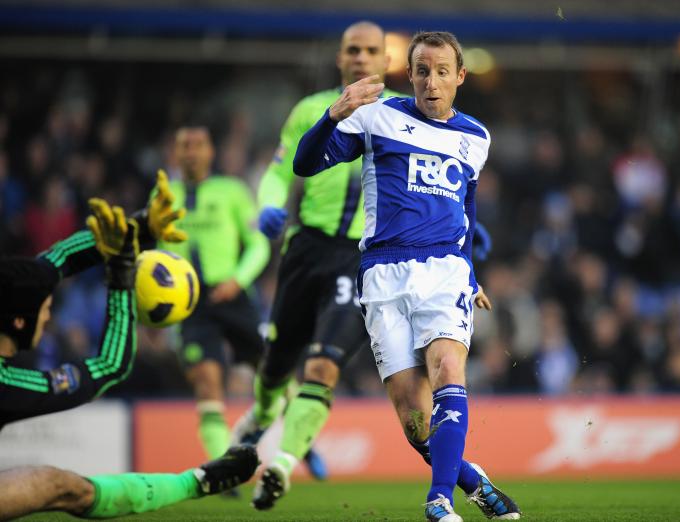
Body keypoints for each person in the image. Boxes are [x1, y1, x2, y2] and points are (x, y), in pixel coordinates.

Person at [293, 31, 521, 521]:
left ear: (460, 76)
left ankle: (438, 501)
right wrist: (333, 114)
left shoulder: (476, 137)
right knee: (416, 423)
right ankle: (472, 482)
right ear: (410, 74)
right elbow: (304, 164)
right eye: (422, 71)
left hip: (444, 270)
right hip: (382, 273)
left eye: (442, 72)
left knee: (447, 371)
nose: (431, 83)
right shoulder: (378, 117)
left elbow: (468, 209)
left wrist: (470, 272)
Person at [0, 186, 259, 519]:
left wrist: (140, 228)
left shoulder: (10, 296)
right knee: (54, 485)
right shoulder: (7, 386)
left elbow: (55, 262)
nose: (49, 316)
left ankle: (201, 479)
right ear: (20, 321)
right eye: (46, 308)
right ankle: (197, 482)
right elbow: (108, 366)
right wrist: (122, 279)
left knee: (59, 484)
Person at [230, 20, 403, 508]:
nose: (362, 57)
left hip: (360, 255)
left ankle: (280, 466)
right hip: (306, 249)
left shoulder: (403, 115)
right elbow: (278, 171)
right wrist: (268, 204)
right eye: (353, 49)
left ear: (385, 61)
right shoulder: (311, 109)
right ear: (340, 57)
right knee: (275, 367)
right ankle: (260, 416)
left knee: (324, 364)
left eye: (372, 50)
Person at [158, 126, 271, 464]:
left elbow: (259, 243)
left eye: (198, 145)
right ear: (175, 154)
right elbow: (158, 255)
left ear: (210, 152)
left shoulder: (231, 191)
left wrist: (238, 279)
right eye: (184, 146)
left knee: (270, 371)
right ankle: (224, 467)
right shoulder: (163, 197)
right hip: (190, 303)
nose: (191, 152)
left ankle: (302, 442)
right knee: (207, 382)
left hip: (232, 293)